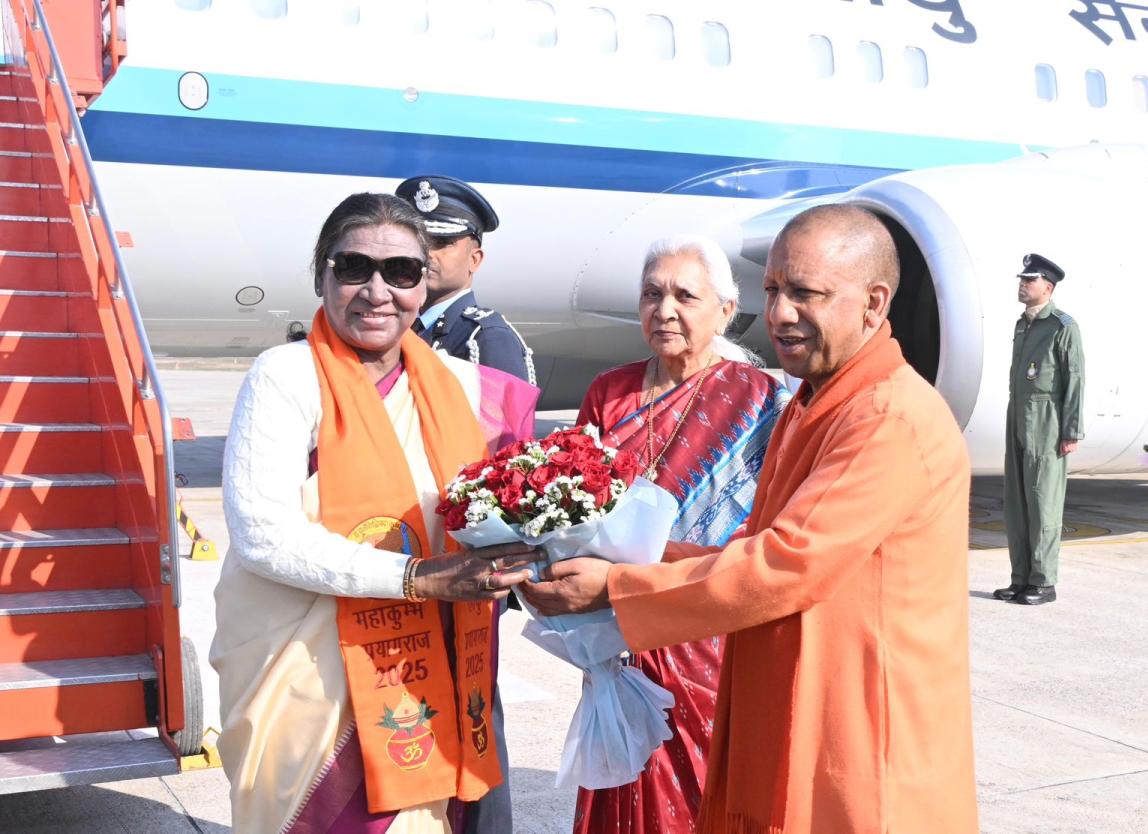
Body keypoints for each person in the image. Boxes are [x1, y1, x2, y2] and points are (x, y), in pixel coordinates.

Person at [522, 205, 980, 834]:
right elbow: (758, 545)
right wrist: (623, 558)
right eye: (773, 290)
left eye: (806, 293)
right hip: (779, 692)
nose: (781, 314)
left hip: (860, 733)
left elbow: (786, 563)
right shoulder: (813, 403)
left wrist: (617, 587)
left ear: (874, 304)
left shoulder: (886, 417)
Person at [211, 193, 541, 834]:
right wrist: (416, 579)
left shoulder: (462, 386)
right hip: (308, 674)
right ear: (322, 275)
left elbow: (508, 514)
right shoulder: (285, 376)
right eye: (354, 267)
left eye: (401, 272)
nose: (377, 291)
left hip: (427, 670)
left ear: (424, 284)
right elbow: (262, 535)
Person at [572, 235, 790, 834]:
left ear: (726, 310)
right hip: (616, 627)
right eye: (652, 294)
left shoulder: (761, 399)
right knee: (625, 783)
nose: (664, 310)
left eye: (684, 297)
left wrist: (667, 563)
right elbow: (574, 510)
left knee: (709, 786)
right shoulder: (609, 393)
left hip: (710, 629)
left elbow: (769, 529)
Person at [993, 253, 1085, 606]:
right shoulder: (1022, 324)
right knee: (1017, 502)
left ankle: (1044, 582)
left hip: (1047, 421)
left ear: (1047, 287)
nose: (1022, 284)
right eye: (1022, 279)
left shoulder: (1062, 327)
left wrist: (1071, 430)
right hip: (1018, 415)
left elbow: (1075, 380)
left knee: (1043, 501)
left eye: (1029, 280)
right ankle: (1020, 579)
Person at [395, 175, 536, 385]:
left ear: (474, 260)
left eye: (442, 243)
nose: (427, 253)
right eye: (418, 242)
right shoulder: (400, 326)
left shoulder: (487, 337)